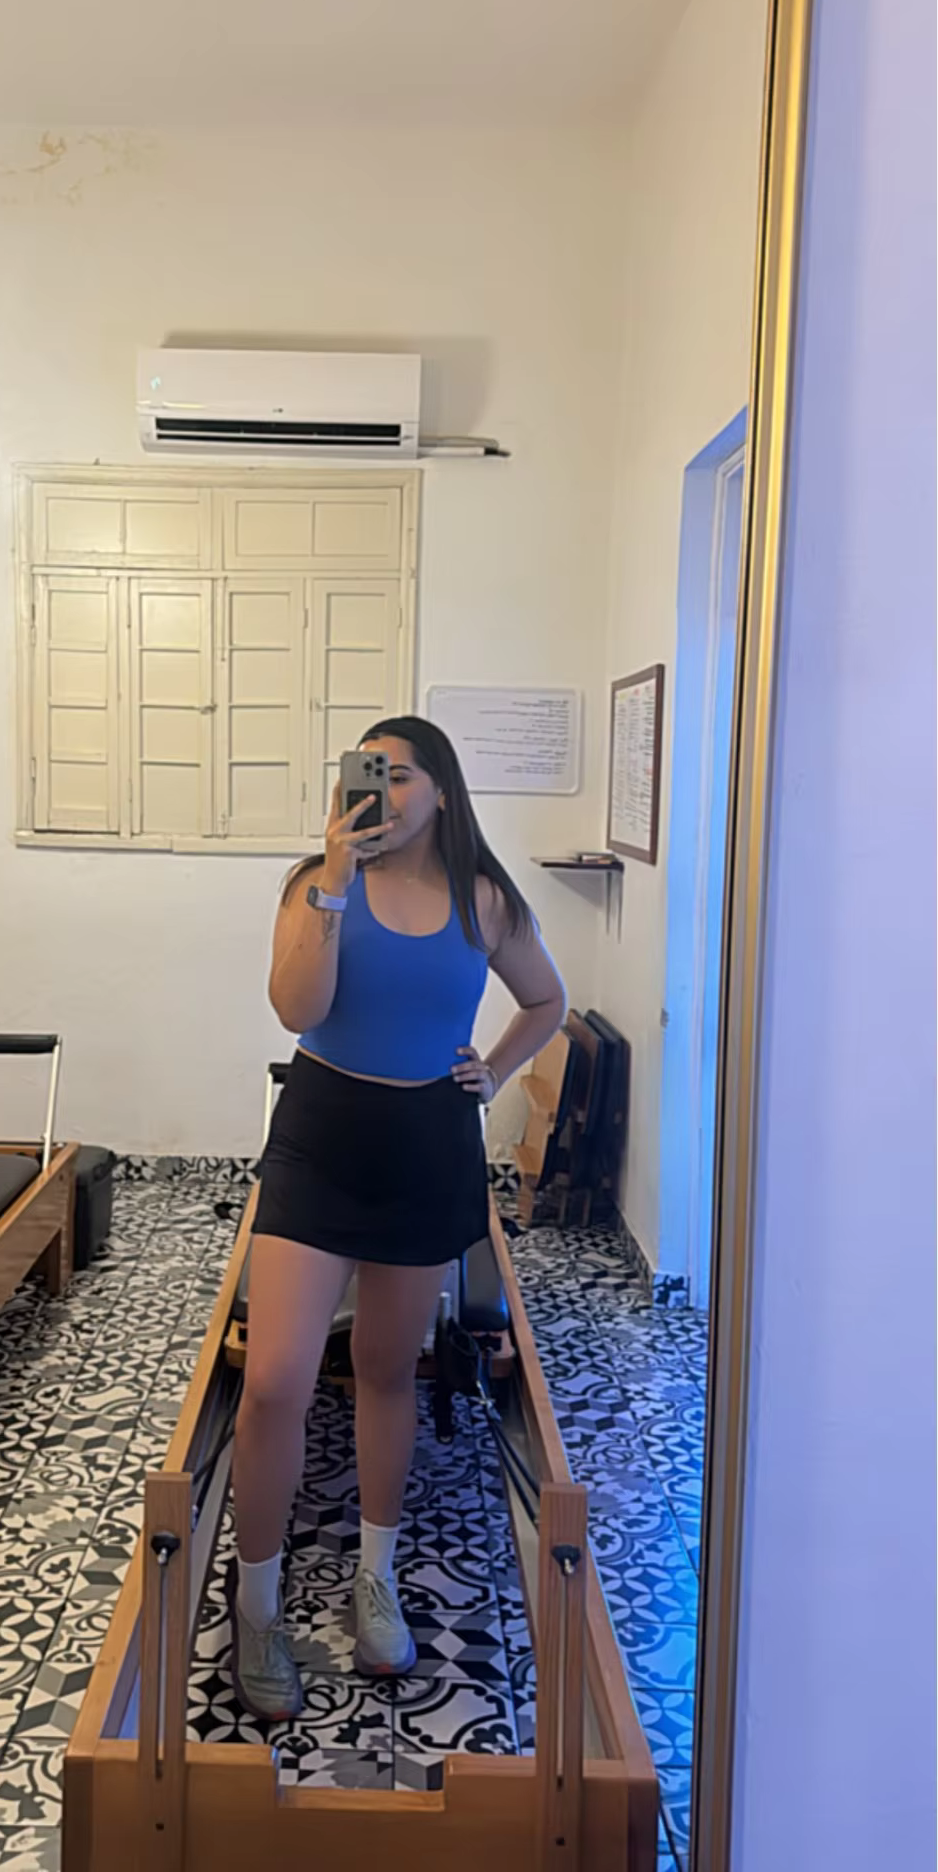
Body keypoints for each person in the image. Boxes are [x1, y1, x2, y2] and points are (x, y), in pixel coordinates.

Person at [228, 714, 566, 1720]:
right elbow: (297, 1008)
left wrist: (491, 1071)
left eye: (403, 773)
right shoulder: (315, 881)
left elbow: (544, 1001)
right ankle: (257, 1604)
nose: (383, 788)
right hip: (321, 1135)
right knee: (277, 1378)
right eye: (369, 771)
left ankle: (374, 1578)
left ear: (444, 791)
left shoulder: (485, 898)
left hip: (426, 1144)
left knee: (386, 1367)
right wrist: (334, 878)